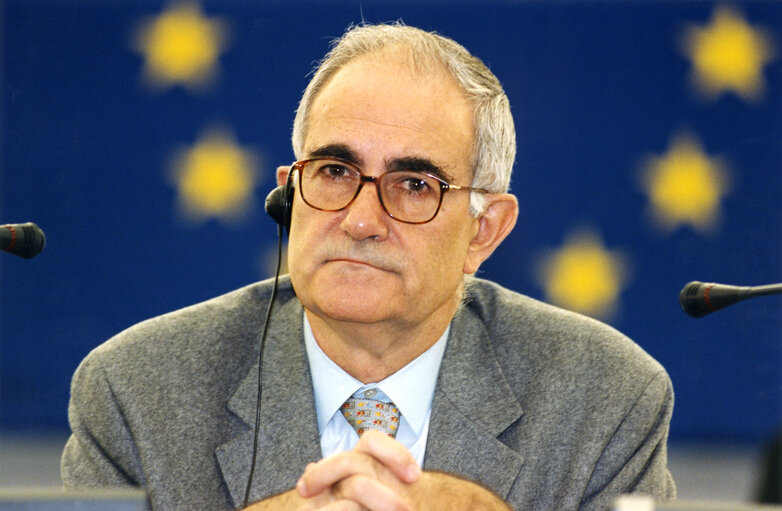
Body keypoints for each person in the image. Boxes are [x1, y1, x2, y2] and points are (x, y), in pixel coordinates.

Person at [61, 23, 676, 511]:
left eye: (413, 184)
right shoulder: (135, 392)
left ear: (483, 232)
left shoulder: (603, 399)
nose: (361, 220)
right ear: (290, 194)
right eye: (334, 172)